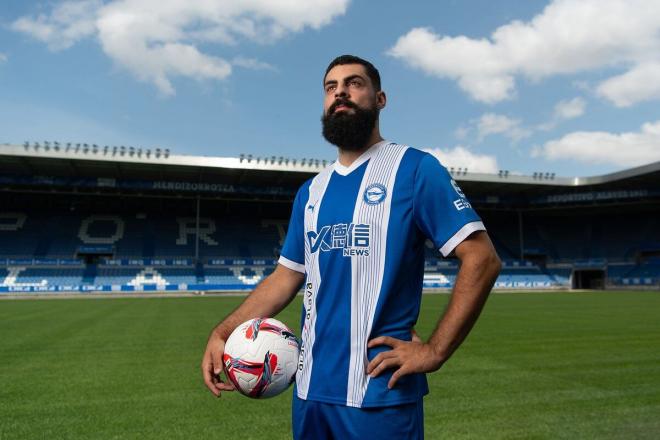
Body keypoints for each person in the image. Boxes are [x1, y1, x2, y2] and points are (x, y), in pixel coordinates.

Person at [202, 54, 501, 439]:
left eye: (354, 83)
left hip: (379, 395)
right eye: (331, 87)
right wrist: (224, 331)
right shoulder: (311, 192)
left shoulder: (414, 169)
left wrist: (435, 350)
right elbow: (285, 277)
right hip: (309, 392)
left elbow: (482, 257)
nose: (340, 92)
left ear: (380, 99)